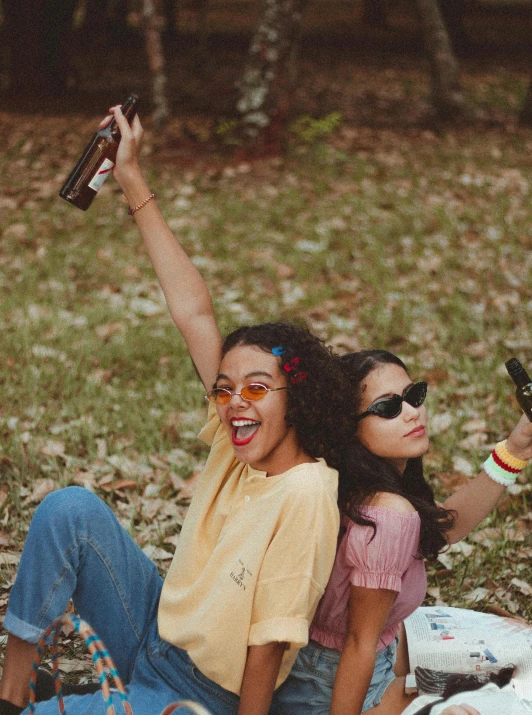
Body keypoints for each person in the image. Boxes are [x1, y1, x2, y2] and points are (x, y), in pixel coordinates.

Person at [0, 107, 356, 715]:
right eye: (224, 388)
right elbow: (192, 310)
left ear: (297, 396)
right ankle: (11, 691)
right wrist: (130, 177)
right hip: (154, 633)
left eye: (256, 388)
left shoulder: (304, 494)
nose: (235, 403)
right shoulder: (235, 436)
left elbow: (268, 643)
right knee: (71, 511)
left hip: (202, 697)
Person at [270, 349, 532, 715]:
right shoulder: (386, 513)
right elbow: (359, 643)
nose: (411, 412)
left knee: (498, 665)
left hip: (338, 669)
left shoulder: (360, 486)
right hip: (331, 692)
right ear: (348, 427)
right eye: (386, 408)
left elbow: (442, 528)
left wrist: (514, 452)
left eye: (413, 396)